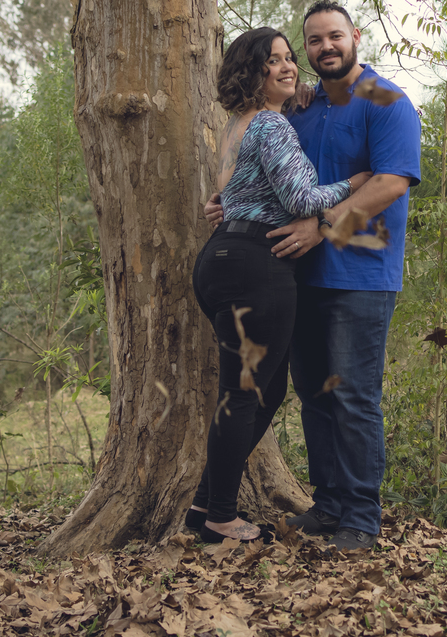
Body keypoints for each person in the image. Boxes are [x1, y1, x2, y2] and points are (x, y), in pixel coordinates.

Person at [206, 1, 422, 551]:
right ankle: (327, 507)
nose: (325, 47)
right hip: (295, 272)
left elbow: (391, 182)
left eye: (334, 37)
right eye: (314, 41)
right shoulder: (300, 107)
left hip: (360, 275)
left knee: (353, 396)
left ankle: (360, 519)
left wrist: (322, 225)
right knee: (313, 393)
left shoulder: (387, 103)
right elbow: (265, 172)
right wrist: (230, 201)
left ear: (355, 37)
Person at [184, 27, 371, 543]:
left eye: (292, 59)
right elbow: (302, 198)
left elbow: (228, 197)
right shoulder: (269, 125)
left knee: (261, 391)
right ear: (253, 71)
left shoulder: (236, 126)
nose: (289, 67)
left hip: (219, 260)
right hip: (256, 266)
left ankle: (205, 504)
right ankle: (221, 517)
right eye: (275, 61)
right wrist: (357, 180)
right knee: (246, 392)